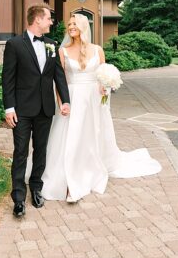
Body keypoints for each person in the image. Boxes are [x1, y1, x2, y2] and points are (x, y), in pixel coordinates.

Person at [39, 13, 161, 203]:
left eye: (74, 23)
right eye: (69, 24)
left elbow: (102, 74)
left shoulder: (97, 50)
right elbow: (58, 80)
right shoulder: (62, 51)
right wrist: (61, 102)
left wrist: (105, 87)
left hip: (94, 101)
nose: (71, 26)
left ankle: (88, 170)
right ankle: (70, 183)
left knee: (89, 137)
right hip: (71, 99)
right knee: (72, 138)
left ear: (83, 27)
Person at [2, 3, 71, 218]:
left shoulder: (52, 45)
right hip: (21, 109)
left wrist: (65, 101)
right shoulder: (14, 44)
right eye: (49, 18)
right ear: (37, 20)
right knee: (20, 151)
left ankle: (36, 188)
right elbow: (8, 79)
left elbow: (59, 76)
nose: (51, 22)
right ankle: (19, 198)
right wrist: (9, 107)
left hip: (45, 108)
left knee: (41, 150)